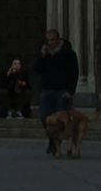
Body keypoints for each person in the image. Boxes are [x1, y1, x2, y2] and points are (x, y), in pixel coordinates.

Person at [32, 27, 82, 155]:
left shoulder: (69, 53)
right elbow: (37, 69)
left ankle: (57, 145)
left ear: (58, 39)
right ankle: (52, 141)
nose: (50, 43)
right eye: (48, 40)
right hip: (47, 90)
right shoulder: (46, 54)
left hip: (62, 91)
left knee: (60, 119)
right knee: (45, 116)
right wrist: (42, 57)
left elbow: (74, 73)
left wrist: (70, 91)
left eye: (53, 40)